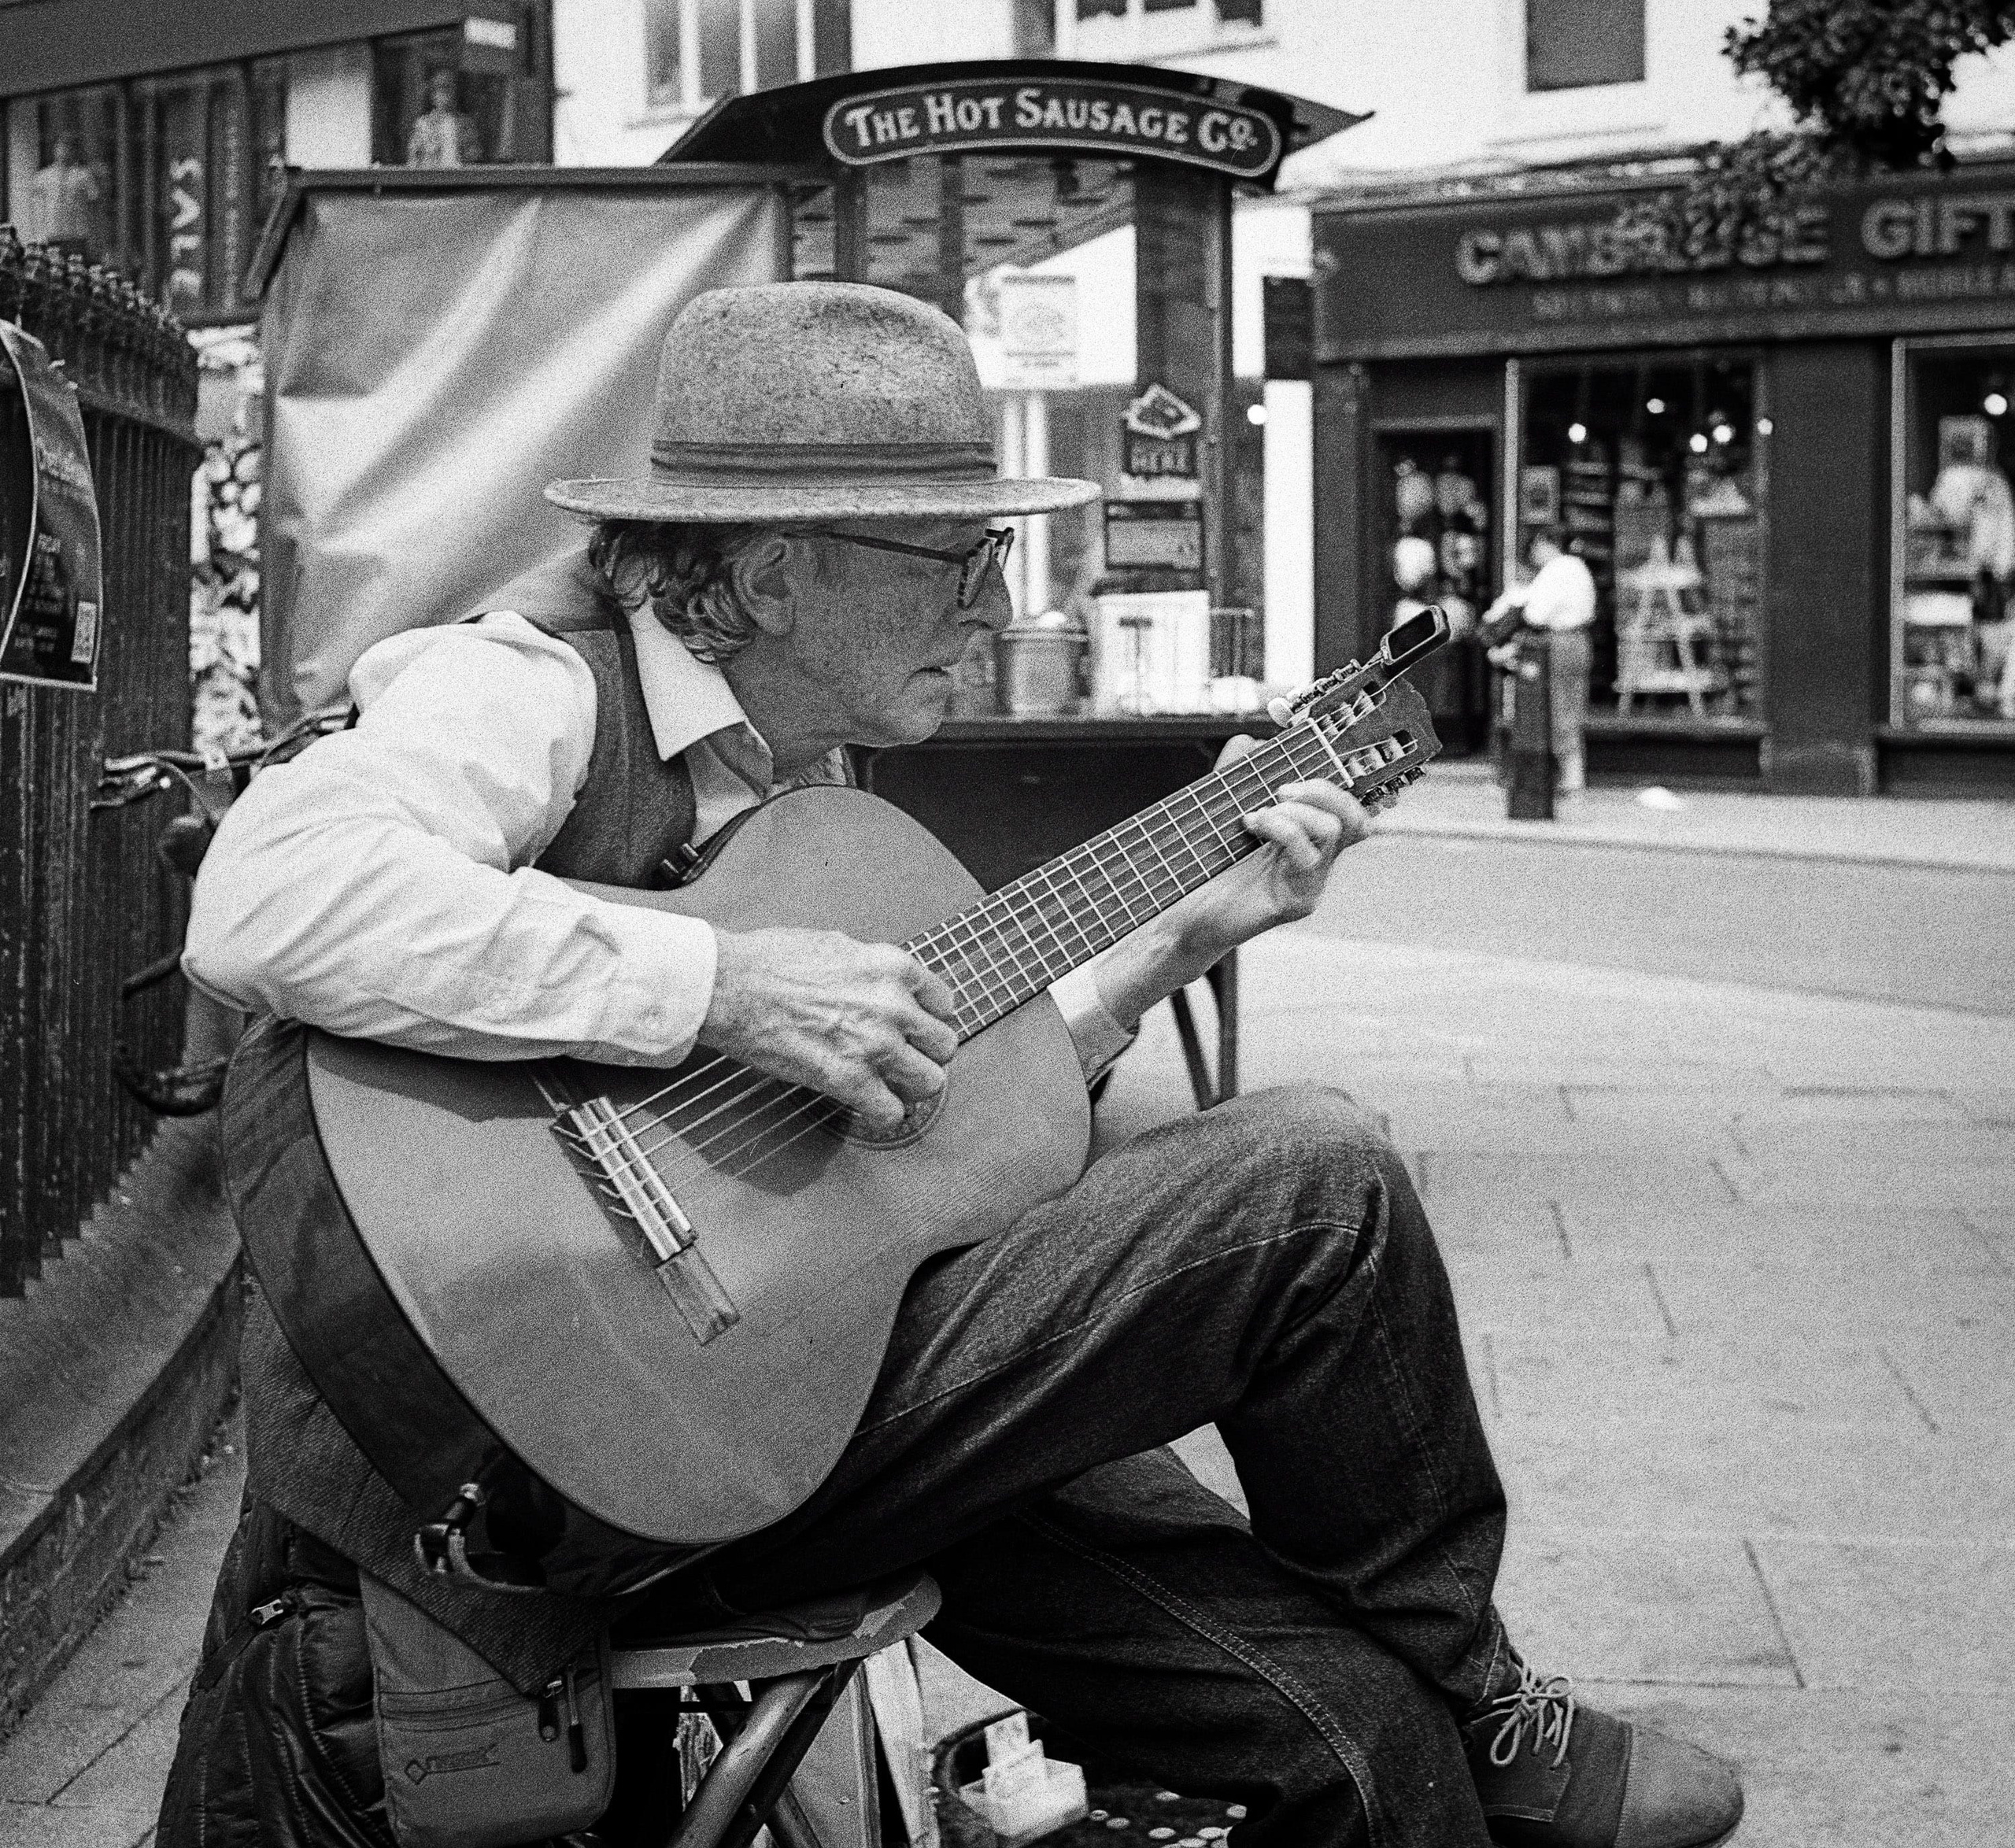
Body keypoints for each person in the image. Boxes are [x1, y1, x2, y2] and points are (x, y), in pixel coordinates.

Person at [158, 283, 1743, 1848]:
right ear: (775, 573)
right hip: (556, 1462)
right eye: (958, 556)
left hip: (793, 1401)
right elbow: (267, 895)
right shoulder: (531, 686)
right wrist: (720, 986)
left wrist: (1173, 943)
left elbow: (919, 1144)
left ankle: (1449, 1727)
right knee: (1307, 1184)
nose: (996, 606)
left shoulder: (801, 783)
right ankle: (1492, 1698)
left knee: (1341, 1730)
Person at [1483, 527, 1598, 795]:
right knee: (1570, 707)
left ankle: (1570, 778)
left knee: (1557, 709)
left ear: (1546, 543)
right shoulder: (1579, 567)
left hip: (1558, 642)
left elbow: (1536, 615)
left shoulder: (1556, 569)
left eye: (1535, 547)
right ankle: (1572, 775)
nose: (1533, 554)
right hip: (1579, 640)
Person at [406, 68, 482, 168]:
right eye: (440, 87)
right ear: (432, 94)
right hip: (431, 178)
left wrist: (464, 149)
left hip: (460, 178)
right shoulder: (423, 124)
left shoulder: (466, 123)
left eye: (448, 88)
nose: (444, 93)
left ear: (455, 91)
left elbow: (475, 155)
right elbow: (413, 158)